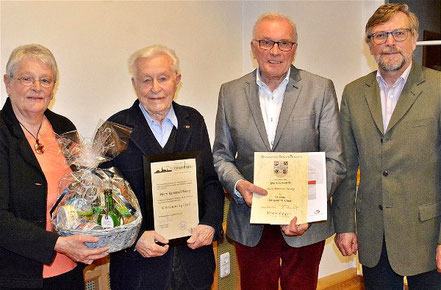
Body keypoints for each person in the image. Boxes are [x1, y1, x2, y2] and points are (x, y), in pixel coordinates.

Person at [213, 12, 345, 290]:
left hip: (304, 225)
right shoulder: (230, 92)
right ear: (253, 47)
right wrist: (238, 185)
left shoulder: (320, 89)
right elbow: (222, 155)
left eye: (284, 43)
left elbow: (334, 160)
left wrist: (309, 209)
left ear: (294, 50)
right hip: (251, 222)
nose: (275, 51)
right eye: (266, 42)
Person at [332, 4, 441, 289]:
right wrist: (344, 225)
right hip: (373, 237)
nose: (389, 42)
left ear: (414, 39)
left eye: (398, 33)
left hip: (428, 236)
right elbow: (345, 166)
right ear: (369, 45)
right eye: (379, 36)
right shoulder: (354, 93)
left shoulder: (438, 88)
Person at [106, 45, 224, 290]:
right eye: (146, 80)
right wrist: (135, 239)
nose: (155, 88)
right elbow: (106, 200)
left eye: (163, 78)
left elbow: (210, 181)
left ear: (176, 80)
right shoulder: (116, 128)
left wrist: (211, 223)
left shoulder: (194, 120)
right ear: (134, 83)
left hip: (193, 263)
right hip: (139, 269)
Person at [0, 44, 109, 289]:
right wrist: (57, 244)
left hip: (69, 270)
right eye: (27, 78)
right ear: (8, 83)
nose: (37, 87)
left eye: (45, 80)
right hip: (17, 276)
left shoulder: (62, 127)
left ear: (53, 88)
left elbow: (81, 192)